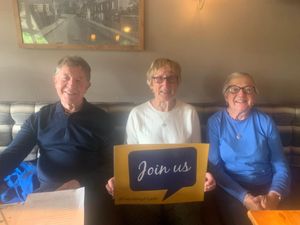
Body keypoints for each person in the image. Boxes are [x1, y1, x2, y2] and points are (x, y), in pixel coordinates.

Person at [0, 56, 117, 225]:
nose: (71, 85)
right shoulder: (39, 119)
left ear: (87, 86)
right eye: (66, 78)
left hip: (89, 190)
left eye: (79, 80)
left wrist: (78, 183)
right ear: (55, 80)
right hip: (48, 192)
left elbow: (112, 164)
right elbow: (12, 154)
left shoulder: (103, 120)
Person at [106, 58, 216, 225]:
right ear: (150, 83)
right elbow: (129, 159)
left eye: (171, 78)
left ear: (178, 82)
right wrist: (119, 180)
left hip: (181, 190)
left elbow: (197, 157)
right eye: (158, 78)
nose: (165, 84)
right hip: (145, 191)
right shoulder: (137, 114)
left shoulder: (189, 112)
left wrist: (204, 176)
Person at [207, 72, 290, 225]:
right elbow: (215, 168)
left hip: (266, 185)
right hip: (231, 188)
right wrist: (245, 197)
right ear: (226, 96)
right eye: (234, 89)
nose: (241, 93)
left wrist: (274, 195)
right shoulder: (215, 123)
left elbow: (280, 165)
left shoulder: (265, 122)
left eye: (248, 89)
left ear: (254, 97)